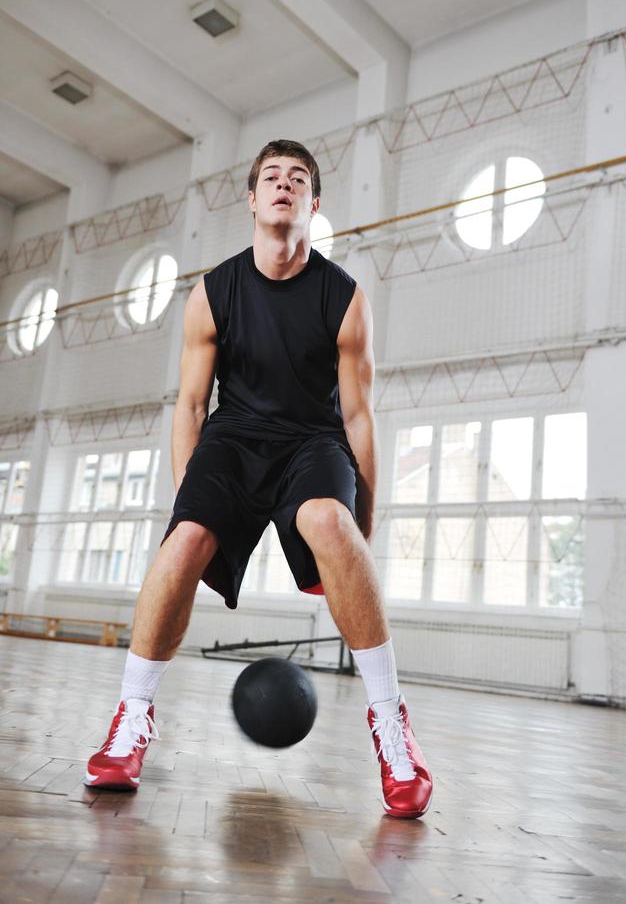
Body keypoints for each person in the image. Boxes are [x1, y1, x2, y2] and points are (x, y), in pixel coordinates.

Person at [85, 139, 432, 819]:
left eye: (297, 178)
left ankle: (392, 730)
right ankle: (131, 720)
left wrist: (365, 520)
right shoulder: (214, 291)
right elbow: (189, 404)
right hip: (235, 437)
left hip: (313, 440)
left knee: (331, 521)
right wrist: (193, 504)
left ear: (313, 202)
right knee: (183, 542)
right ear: (251, 199)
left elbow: (360, 417)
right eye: (271, 176)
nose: (283, 185)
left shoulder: (344, 296)